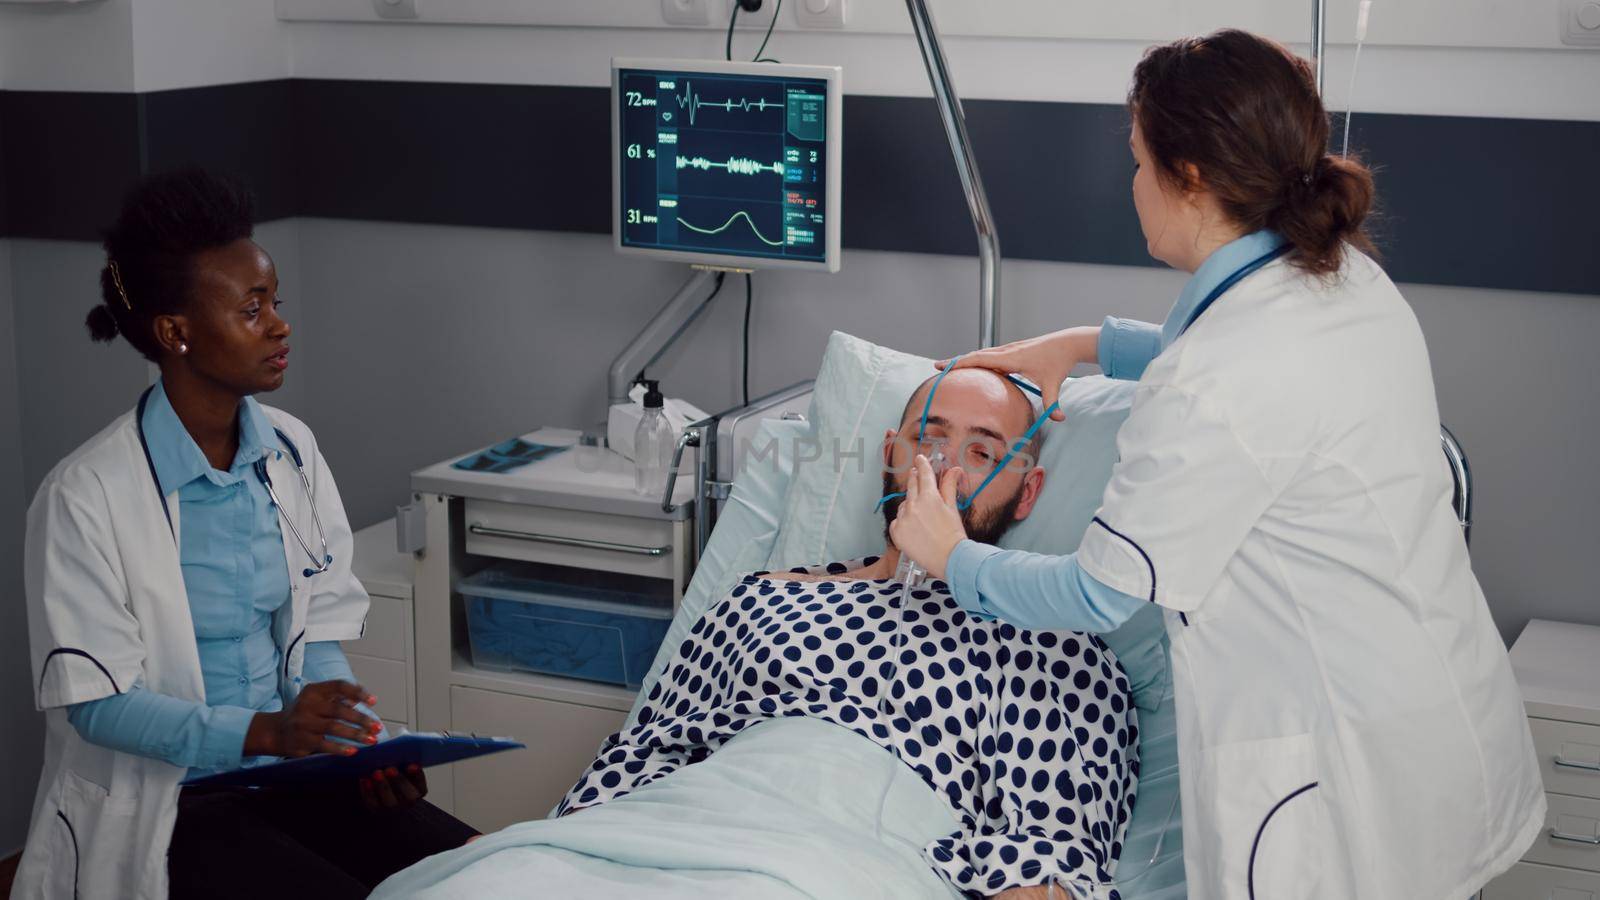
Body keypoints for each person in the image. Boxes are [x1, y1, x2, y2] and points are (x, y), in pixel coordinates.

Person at [887, 29, 1544, 900]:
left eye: (1136, 159)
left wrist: (953, 558)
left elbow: (1098, 593)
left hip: (1340, 767)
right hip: (1436, 704)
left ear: (1189, 175)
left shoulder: (1209, 385)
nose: (1131, 184)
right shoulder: (1344, 277)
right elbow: (1255, 376)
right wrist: (1084, 344)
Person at [14, 169, 475, 900]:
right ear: (177, 333)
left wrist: (357, 748)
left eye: (275, 303)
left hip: (295, 774)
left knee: (482, 871)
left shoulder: (290, 451)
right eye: (252, 309)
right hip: (175, 807)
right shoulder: (85, 496)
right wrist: (267, 732)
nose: (279, 325)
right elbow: (96, 703)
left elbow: (314, 628)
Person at [559, 368, 1140, 899]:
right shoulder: (762, 598)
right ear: (891, 454)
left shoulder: (1051, 650)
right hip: (665, 837)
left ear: (1029, 492)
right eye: (928, 440)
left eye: (983, 451)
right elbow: (635, 761)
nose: (944, 468)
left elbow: (1054, 865)